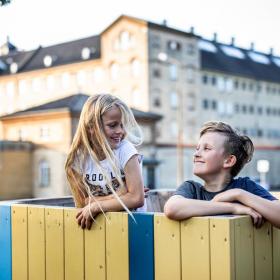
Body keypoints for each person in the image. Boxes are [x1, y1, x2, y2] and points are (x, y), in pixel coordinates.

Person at [164, 121, 280, 229]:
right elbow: (172, 208)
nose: (196, 154)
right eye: (197, 148)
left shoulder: (245, 187)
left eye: (207, 148)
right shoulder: (191, 188)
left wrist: (238, 194)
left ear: (229, 161)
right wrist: (233, 207)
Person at [65, 94, 145, 229]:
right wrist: (121, 194)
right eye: (112, 125)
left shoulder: (126, 150)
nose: (120, 131)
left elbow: (137, 198)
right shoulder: (78, 159)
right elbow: (82, 203)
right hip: (98, 229)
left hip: (133, 227)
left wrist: (97, 205)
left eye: (121, 125)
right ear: (91, 126)